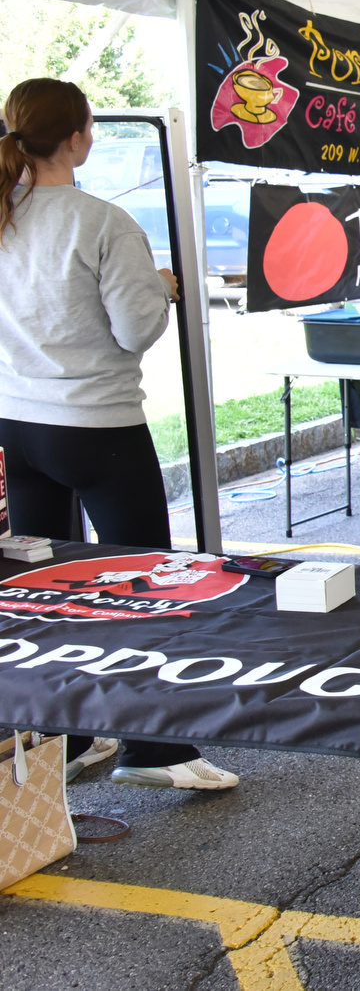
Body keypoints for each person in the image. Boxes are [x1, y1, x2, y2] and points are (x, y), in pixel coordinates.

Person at [0, 78, 237, 792]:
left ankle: (65, 741)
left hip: (20, 425)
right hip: (99, 426)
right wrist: (161, 290)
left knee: (47, 594)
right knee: (142, 586)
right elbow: (135, 331)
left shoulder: (4, 214)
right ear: (76, 138)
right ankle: (155, 752)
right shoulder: (102, 221)